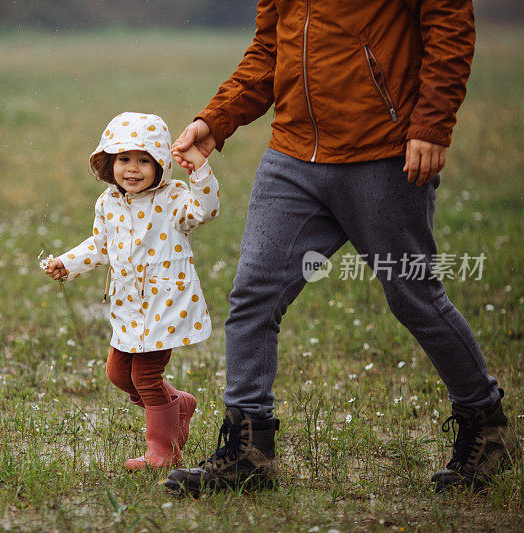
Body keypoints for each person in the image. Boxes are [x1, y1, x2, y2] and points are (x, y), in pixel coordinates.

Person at [163, 0, 517, 495]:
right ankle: (249, 452)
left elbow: (449, 28)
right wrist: (215, 120)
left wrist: (432, 124)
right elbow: (270, 50)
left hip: (384, 152)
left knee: (415, 297)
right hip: (293, 158)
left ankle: (487, 425)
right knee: (253, 296)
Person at [43, 112, 220, 470]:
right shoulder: (108, 202)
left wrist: (199, 170)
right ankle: (178, 404)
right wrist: (68, 262)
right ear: (109, 163)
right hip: (128, 303)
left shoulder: (174, 197)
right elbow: (100, 245)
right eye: (124, 159)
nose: (133, 169)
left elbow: (206, 210)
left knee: (145, 376)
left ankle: (163, 451)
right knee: (117, 373)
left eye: (144, 160)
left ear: (160, 164)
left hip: (166, 301)